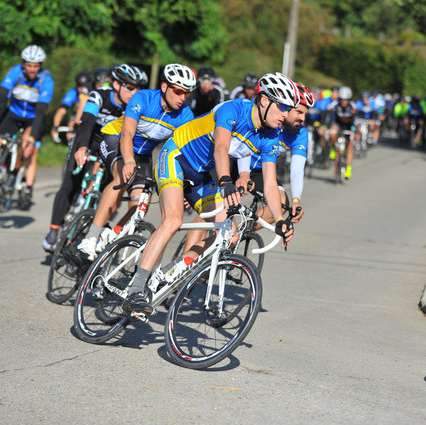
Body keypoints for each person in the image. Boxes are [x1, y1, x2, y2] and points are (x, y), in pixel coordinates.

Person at [122, 72, 297, 317]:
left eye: (289, 109)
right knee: (173, 220)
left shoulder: (271, 136)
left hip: (202, 173)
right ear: (265, 101)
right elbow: (221, 148)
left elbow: (269, 183)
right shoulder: (233, 110)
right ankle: (136, 289)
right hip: (177, 156)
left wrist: (280, 221)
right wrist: (226, 181)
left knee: (230, 235)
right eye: (283, 107)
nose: (286, 115)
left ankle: (170, 273)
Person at [75, 63, 197, 260]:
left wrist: (187, 187)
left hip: (144, 154)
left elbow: (185, 152)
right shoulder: (144, 98)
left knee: (141, 200)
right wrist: (129, 160)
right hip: (116, 139)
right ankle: (90, 237)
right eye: (178, 91)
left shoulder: (185, 116)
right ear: (165, 87)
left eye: (187, 93)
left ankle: (111, 235)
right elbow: (127, 133)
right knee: (121, 178)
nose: (182, 98)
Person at [42, 64, 145, 252]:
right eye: (130, 88)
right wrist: (81, 147)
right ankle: (53, 230)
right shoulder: (99, 95)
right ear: (116, 84)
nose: (134, 93)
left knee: (110, 184)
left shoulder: (134, 106)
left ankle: (90, 231)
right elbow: (87, 122)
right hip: (88, 139)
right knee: (70, 184)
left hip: (110, 145)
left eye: (138, 89)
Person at [0, 45, 54, 216]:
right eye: (29, 65)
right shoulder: (16, 72)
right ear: (23, 64)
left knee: (26, 147)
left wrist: (32, 138)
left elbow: (41, 113)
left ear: (40, 66)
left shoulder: (46, 81)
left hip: (32, 118)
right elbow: (0, 96)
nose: (32, 69)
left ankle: (13, 173)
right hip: (12, 115)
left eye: (36, 66)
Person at [235, 82, 314, 224]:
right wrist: (244, 174)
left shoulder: (300, 133)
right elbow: (244, 147)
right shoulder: (268, 120)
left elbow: (297, 169)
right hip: (238, 162)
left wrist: (296, 200)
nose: (302, 119)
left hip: (261, 170)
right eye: (299, 112)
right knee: (218, 207)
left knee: (282, 202)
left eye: (305, 114)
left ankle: (241, 231)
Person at [50, 71, 91, 144]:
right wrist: (55, 127)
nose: (81, 89)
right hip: (77, 116)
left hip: (91, 117)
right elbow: (62, 110)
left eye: (84, 86)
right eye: (79, 85)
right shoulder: (73, 92)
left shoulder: (93, 93)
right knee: (72, 123)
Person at [326, 86, 356, 180]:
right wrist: (327, 127)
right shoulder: (335, 104)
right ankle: (334, 148)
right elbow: (329, 116)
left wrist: (354, 130)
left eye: (346, 100)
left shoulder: (353, 106)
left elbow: (356, 119)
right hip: (338, 124)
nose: (343, 102)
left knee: (350, 146)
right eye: (342, 99)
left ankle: (348, 168)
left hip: (349, 126)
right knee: (332, 132)